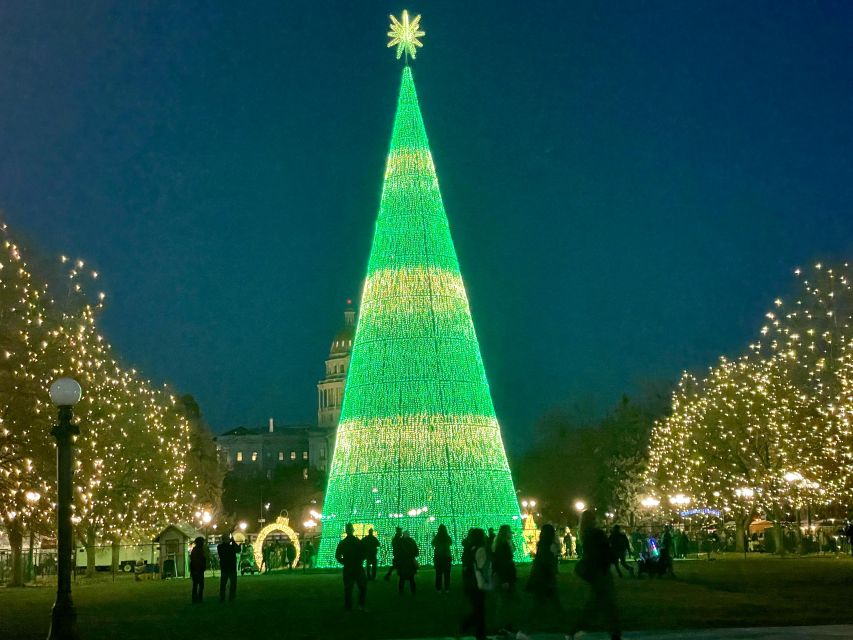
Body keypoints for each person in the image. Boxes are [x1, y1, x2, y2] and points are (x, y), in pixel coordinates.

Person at [568, 510, 621, 640]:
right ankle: (614, 634)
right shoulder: (597, 534)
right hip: (602, 572)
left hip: (594, 572)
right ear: (594, 519)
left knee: (596, 604)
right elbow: (605, 551)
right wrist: (613, 556)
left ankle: (575, 631)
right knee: (607, 604)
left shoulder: (585, 534)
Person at [460, 528, 490, 640]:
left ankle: (474, 630)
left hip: (471, 583)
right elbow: (481, 566)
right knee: (480, 610)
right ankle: (476, 632)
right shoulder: (479, 549)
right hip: (477, 583)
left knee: (478, 609)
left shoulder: (468, 548)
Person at [525, 523, 560, 616]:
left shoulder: (541, 544)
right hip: (546, 577)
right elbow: (549, 561)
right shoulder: (550, 545)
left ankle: (528, 626)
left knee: (540, 602)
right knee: (549, 602)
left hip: (539, 576)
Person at [492, 524, 518, 634]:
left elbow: (514, 550)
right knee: (503, 602)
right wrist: (504, 580)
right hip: (504, 578)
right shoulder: (502, 546)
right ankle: (501, 626)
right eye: (509, 532)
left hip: (508, 577)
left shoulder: (504, 544)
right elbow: (501, 564)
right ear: (505, 533)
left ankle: (506, 624)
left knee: (507, 602)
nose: (511, 534)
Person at [335, 523, 367, 611]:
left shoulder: (343, 543)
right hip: (357, 567)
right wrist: (360, 560)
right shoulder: (357, 541)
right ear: (353, 530)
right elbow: (364, 553)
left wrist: (344, 562)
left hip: (348, 567)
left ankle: (348, 606)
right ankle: (360, 605)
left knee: (348, 589)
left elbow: (337, 556)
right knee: (362, 587)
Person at [217, 533, 241, 603]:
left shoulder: (220, 547)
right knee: (233, 584)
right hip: (232, 567)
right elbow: (238, 550)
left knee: (223, 584)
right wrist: (233, 541)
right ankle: (231, 598)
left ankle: (222, 598)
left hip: (224, 567)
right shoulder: (231, 547)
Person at [432, 524, 453, 593]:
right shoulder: (447, 537)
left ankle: (439, 589)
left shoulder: (437, 537)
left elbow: (433, 544)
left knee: (438, 573)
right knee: (447, 574)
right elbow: (451, 543)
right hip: (446, 557)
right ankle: (447, 588)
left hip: (438, 557)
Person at [397, 530, 419, 595]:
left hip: (402, 562)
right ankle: (413, 592)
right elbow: (416, 553)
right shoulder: (412, 542)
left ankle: (401, 592)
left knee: (402, 578)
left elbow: (397, 553)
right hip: (410, 562)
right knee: (411, 578)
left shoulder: (400, 542)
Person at [189, 536, 207, 603]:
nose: (203, 543)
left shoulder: (196, 550)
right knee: (199, 585)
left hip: (197, 570)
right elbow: (197, 561)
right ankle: (198, 598)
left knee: (196, 585)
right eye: (202, 542)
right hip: (197, 570)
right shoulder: (198, 550)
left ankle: (196, 599)